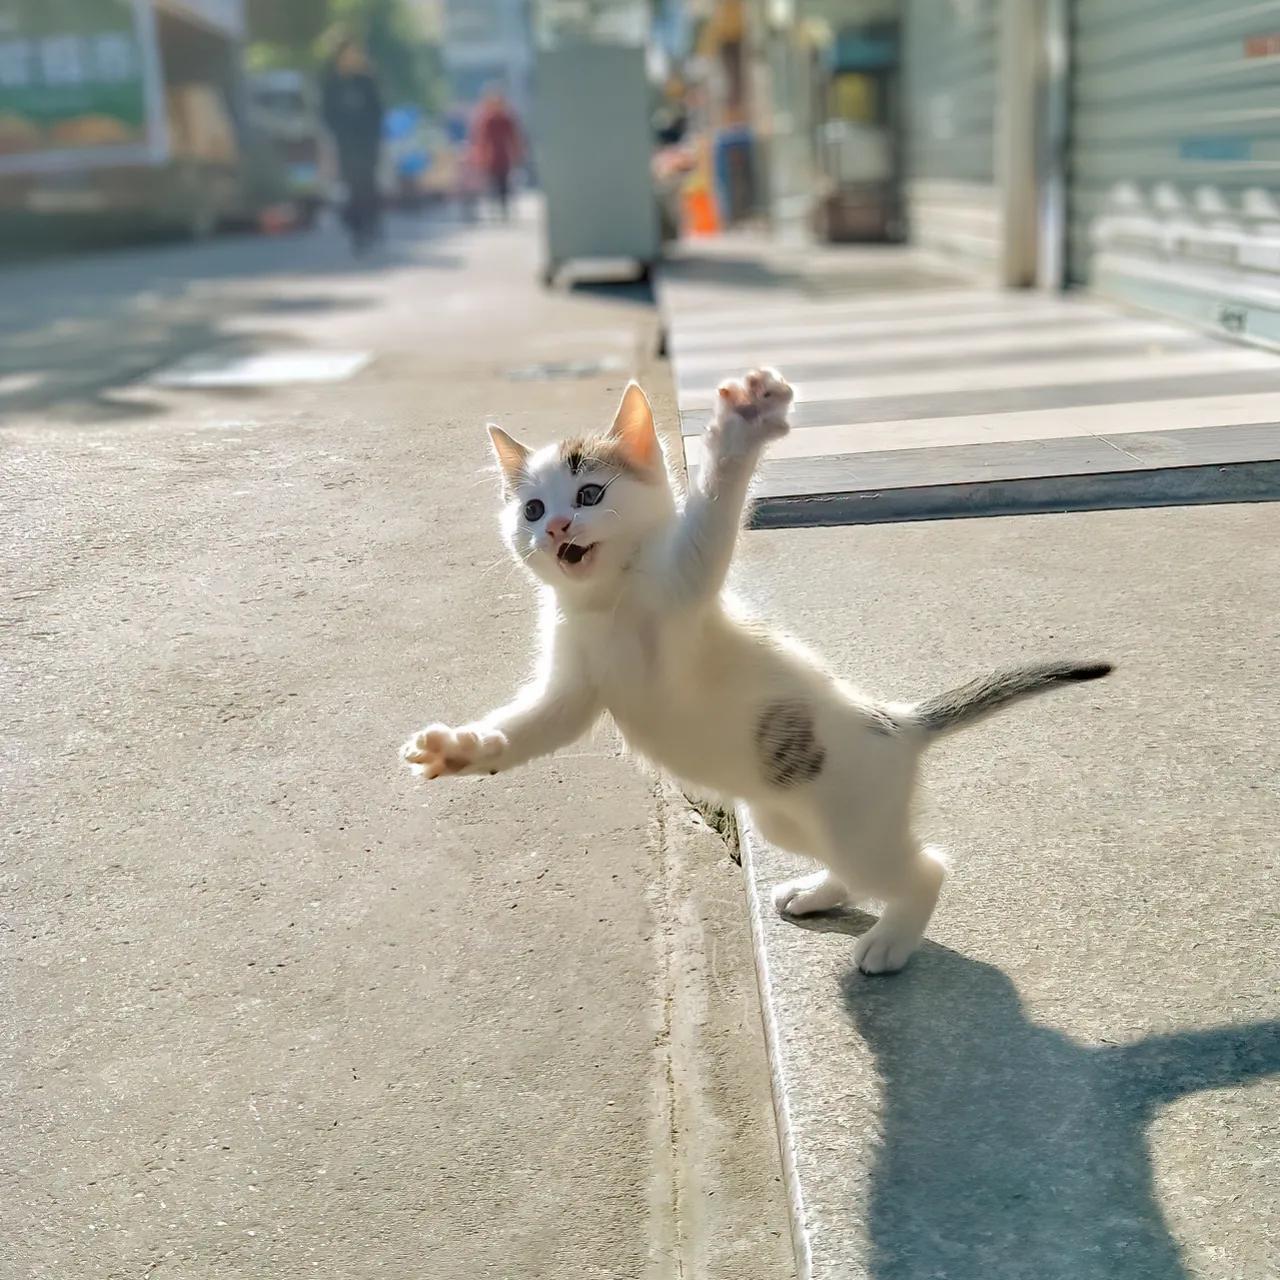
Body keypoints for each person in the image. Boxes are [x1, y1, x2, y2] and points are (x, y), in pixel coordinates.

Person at [321, 35, 385, 252]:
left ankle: (371, 225)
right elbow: (327, 113)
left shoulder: (366, 81)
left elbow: (377, 112)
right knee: (352, 185)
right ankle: (358, 227)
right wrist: (338, 133)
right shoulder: (332, 83)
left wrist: (374, 137)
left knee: (368, 184)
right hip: (346, 143)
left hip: (367, 143)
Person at [468, 89, 522, 221]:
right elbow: (481, 140)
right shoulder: (488, 121)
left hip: (504, 158)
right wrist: (479, 156)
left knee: (504, 184)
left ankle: (504, 209)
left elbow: (514, 139)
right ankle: (494, 209)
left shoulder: (506, 120)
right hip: (490, 158)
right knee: (492, 185)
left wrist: (516, 154)